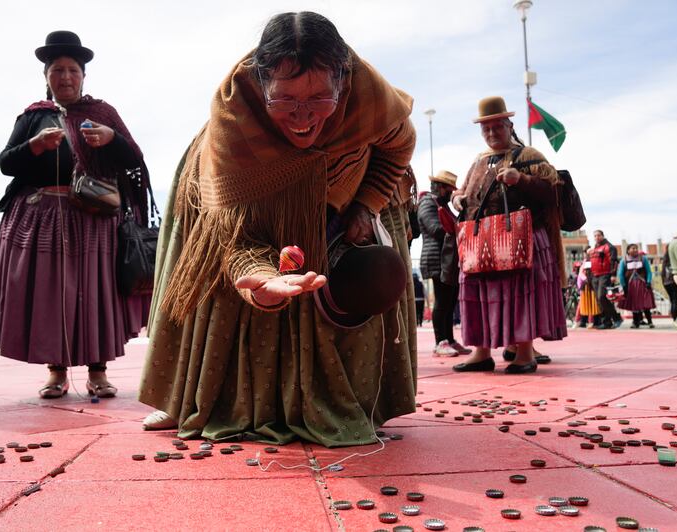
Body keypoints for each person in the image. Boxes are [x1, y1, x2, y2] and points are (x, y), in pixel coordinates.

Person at [138, 12, 418, 446]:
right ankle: (194, 398)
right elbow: (235, 236)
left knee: (376, 274)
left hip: (339, 197)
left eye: (320, 100)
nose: (303, 118)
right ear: (261, 81)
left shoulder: (369, 96)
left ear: (343, 83)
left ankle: (355, 399)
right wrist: (260, 284)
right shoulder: (235, 121)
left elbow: (399, 144)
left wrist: (367, 204)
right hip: (243, 192)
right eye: (285, 100)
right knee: (225, 300)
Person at [0, 31, 151, 399]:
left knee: (93, 294)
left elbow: (135, 159)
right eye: (57, 70)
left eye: (73, 70)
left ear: (84, 76)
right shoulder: (33, 116)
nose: (66, 77)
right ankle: (56, 372)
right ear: (46, 76)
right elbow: (5, 163)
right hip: (42, 219)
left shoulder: (103, 114)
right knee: (50, 295)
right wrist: (34, 146)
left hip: (93, 220)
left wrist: (112, 138)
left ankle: (98, 372)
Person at [450, 96, 566, 374]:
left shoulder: (528, 156)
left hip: (520, 238)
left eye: (497, 127)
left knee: (520, 294)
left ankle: (525, 353)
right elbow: (463, 191)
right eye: (486, 129)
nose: (491, 134)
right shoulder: (479, 161)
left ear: (509, 125)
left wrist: (522, 180)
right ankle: (481, 352)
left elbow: (554, 191)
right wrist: (457, 199)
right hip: (481, 242)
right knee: (477, 293)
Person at [418, 170, 469, 356]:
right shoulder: (427, 203)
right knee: (442, 301)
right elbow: (435, 229)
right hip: (435, 259)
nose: (450, 194)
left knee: (449, 300)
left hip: (448, 259)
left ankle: (450, 340)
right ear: (439, 187)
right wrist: (459, 230)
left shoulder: (442, 205)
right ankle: (441, 341)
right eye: (448, 190)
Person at [617, 244, 655, 328]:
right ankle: (635, 322)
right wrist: (624, 285)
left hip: (642, 284)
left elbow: (649, 271)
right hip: (631, 285)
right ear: (628, 250)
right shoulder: (624, 260)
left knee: (645, 302)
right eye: (633, 248)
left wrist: (648, 282)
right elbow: (620, 274)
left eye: (636, 248)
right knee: (634, 304)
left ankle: (650, 321)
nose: (635, 250)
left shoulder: (643, 259)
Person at [590, 230, 621, 329]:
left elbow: (614, 262)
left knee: (602, 297)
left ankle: (617, 318)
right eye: (595, 236)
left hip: (605, 274)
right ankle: (606, 322)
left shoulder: (609, 247)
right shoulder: (594, 248)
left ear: (603, 236)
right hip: (595, 275)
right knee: (599, 300)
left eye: (598, 235)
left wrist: (613, 275)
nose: (597, 237)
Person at [661, 248, 677, 321]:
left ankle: (674, 317)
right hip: (673, 282)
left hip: (666, 283)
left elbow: (662, 274)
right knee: (676, 300)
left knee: (673, 300)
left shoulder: (665, 261)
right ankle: (676, 317)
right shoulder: (674, 259)